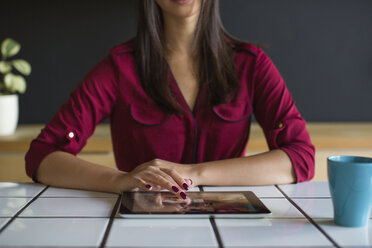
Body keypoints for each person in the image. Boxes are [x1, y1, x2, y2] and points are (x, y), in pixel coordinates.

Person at [25, 0, 315, 200]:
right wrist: (117, 180)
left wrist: (194, 174)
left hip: (229, 220)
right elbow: (42, 156)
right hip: (142, 224)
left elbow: (301, 158)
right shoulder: (119, 67)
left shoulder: (252, 64)